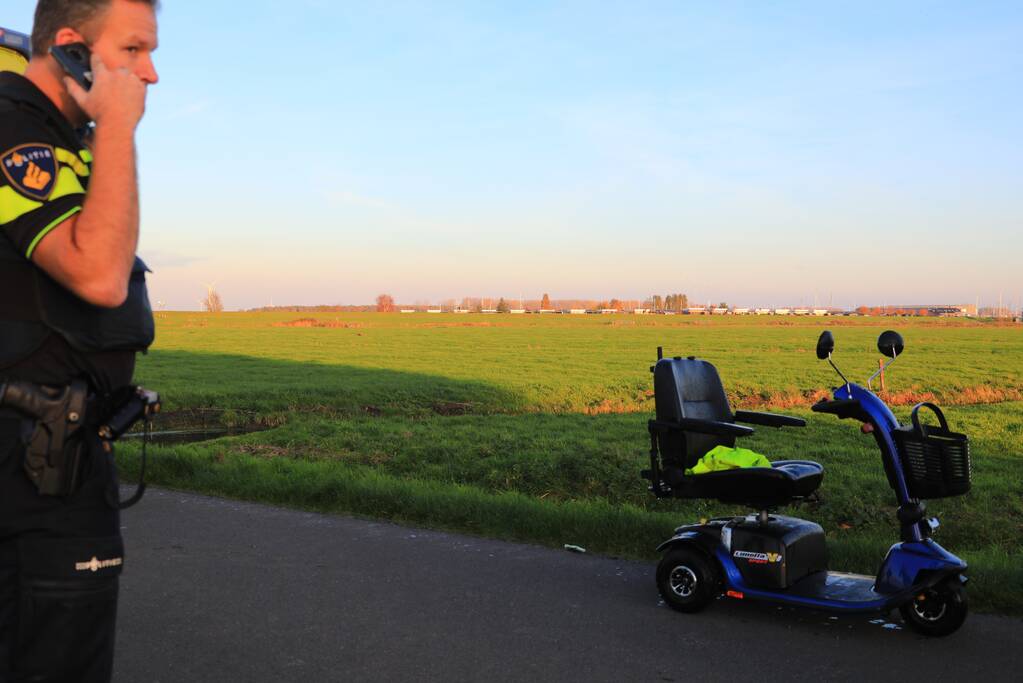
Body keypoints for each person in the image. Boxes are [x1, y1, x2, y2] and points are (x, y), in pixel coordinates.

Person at [0, 1, 159, 680]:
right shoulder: (13, 128)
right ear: (71, 47)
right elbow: (97, 275)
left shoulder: (62, 139)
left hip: (50, 460)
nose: (149, 74)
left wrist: (98, 136)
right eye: (133, 50)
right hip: (30, 475)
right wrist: (117, 128)